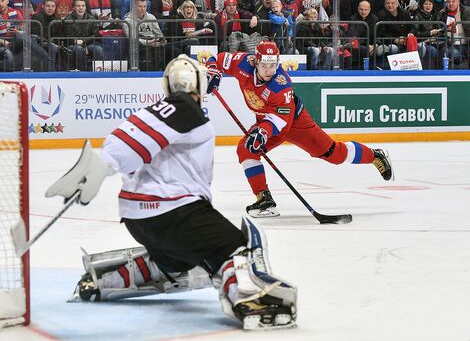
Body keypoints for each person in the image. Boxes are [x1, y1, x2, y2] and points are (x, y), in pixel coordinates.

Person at [44, 54, 298, 330]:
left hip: (139, 217)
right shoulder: (185, 107)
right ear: (198, 85)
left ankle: (106, 280)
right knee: (239, 248)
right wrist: (104, 165)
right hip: (173, 212)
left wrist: (101, 165)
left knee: (180, 263)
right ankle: (248, 299)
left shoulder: (160, 110)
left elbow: (125, 138)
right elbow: (127, 144)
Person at [205, 40, 393, 217]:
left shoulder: (281, 84)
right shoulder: (243, 62)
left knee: (334, 154)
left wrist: (262, 132)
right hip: (266, 120)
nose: (269, 70)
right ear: (256, 61)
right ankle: (264, 200)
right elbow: (218, 59)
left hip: (294, 122)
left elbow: (280, 119)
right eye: (264, 66)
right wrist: (213, 71)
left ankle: (374, 155)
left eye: (273, 66)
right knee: (246, 149)